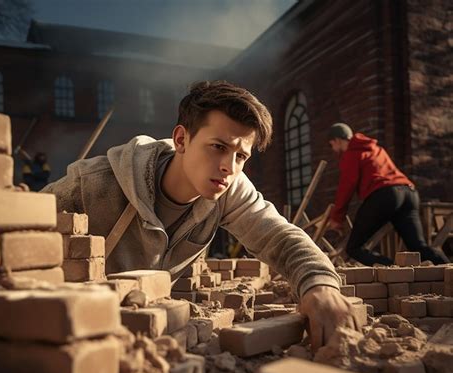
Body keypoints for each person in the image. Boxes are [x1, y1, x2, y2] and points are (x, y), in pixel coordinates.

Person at [43, 81, 359, 351]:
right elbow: (15, 225)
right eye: (218, 147)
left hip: (150, 339)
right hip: (73, 333)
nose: (229, 167)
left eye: (241, 156)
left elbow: (279, 236)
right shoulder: (94, 184)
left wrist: (319, 284)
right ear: (182, 139)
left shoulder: (230, 189)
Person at [327, 123, 449, 265]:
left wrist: (337, 218)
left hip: (385, 195)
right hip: (409, 193)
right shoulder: (376, 149)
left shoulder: (351, 153)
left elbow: (346, 187)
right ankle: (449, 270)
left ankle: (392, 270)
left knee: (354, 248)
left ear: (337, 140)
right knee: (418, 246)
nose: (333, 149)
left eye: (331, 145)